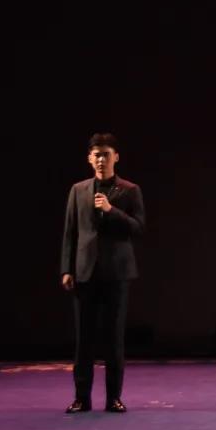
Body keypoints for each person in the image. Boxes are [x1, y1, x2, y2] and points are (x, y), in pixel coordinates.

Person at [60, 133, 145, 414]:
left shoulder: (130, 190)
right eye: (96, 155)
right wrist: (67, 268)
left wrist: (112, 210)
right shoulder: (78, 190)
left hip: (117, 273)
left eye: (106, 154)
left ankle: (113, 398)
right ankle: (81, 398)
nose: (101, 160)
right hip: (85, 272)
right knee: (84, 339)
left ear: (115, 157)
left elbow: (138, 228)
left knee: (113, 338)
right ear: (89, 158)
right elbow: (71, 232)